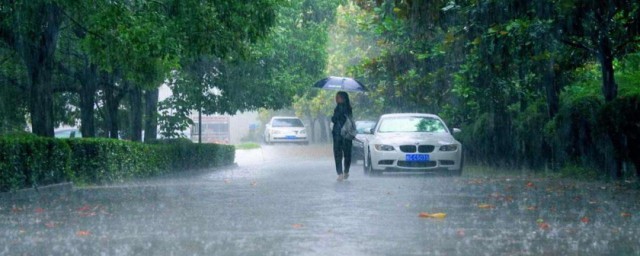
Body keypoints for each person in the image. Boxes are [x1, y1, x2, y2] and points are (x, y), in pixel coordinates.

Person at [331, 91, 353, 181]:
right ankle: (346, 171)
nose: (336, 99)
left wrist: (333, 117)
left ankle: (340, 173)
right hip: (347, 135)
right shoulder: (349, 108)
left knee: (338, 154)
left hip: (338, 135)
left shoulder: (338, 108)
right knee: (347, 154)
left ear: (342, 98)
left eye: (338, 97)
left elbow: (335, 119)